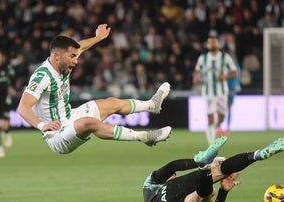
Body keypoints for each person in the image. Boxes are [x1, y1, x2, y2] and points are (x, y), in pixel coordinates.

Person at [17, 24, 172, 154]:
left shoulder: (63, 62)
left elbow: (81, 46)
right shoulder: (42, 76)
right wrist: (42, 125)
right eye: (72, 56)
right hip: (57, 135)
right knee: (89, 123)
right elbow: (23, 108)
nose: (76, 60)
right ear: (57, 56)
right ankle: (145, 137)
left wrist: (99, 37)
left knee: (112, 103)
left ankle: (152, 105)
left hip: (70, 116)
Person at [138, 136, 284, 202]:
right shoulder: (150, 189)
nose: (174, 175)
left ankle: (204, 166)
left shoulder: (151, 191)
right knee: (216, 175)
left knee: (206, 193)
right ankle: (255, 155)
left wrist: (223, 192)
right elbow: (173, 166)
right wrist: (223, 191)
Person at [193, 31, 238, 145]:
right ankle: (211, 145)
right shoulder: (202, 58)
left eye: (214, 42)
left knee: (222, 117)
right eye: (210, 43)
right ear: (207, 45)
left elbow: (234, 72)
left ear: (218, 44)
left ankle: (213, 127)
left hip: (222, 92)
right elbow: (197, 71)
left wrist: (225, 76)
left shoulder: (225, 57)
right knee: (210, 117)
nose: (212, 44)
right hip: (208, 92)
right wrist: (196, 78)